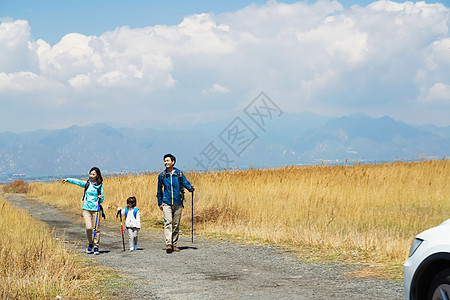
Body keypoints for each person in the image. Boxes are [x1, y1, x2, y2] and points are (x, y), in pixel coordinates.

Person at [62, 167, 105, 255]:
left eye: (93, 174)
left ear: (97, 175)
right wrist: (67, 180)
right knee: (88, 228)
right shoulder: (87, 184)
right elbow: (77, 182)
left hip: (96, 209)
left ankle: (96, 247)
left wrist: (101, 198)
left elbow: (102, 199)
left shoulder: (100, 186)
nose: (91, 176)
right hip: (86, 209)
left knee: (96, 229)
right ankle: (90, 243)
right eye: (90, 174)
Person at [157, 154, 194, 253]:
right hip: (166, 202)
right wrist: (159, 202)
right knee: (168, 222)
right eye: (165, 161)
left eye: (168, 161)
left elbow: (185, 183)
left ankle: (174, 244)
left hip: (178, 202)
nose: (166, 162)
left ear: (173, 162)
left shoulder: (179, 174)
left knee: (176, 224)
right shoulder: (162, 175)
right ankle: (168, 244)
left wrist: (190, 188)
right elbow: (159, 190)